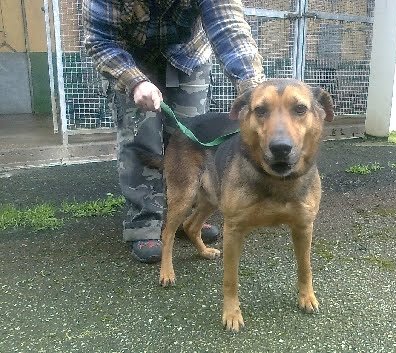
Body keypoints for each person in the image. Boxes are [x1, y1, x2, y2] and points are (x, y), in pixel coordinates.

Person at [83, 0, 266, 263]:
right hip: (128, 56)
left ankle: (186, 217)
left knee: (192, 140)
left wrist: (253, 89)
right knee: (140, 137)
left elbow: (229, 26)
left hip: (188, 53)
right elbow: (99, 40)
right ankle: (144, 224)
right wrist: (134, 82)